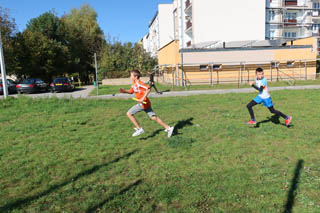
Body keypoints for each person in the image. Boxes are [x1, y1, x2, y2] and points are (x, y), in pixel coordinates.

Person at [120, 69, 174, 137]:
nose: (130, 77)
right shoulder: (134, 84)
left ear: (136, 77)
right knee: (153, 117)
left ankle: (139, 129)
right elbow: (131, 91)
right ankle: (168, 128)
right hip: (146, 103)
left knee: (129, 113)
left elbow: (148, 88)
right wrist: (124, 91)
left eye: (131, 76)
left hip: (143, 103)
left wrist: (143, 98)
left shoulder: (139, 83)